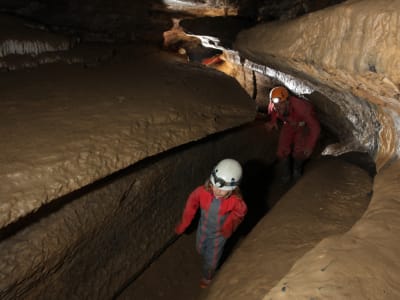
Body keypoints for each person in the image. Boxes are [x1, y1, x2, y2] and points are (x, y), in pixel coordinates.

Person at [175, 158, 247, 288]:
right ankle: (206, 259)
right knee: (200, 249)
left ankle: (207, 277)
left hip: (218, 235)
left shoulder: (235, 201)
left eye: (223, 189)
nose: (217, 191)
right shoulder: (202, 192)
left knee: (211, 261)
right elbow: (192, 202)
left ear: (234, 188)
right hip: (203, 229)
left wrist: (228, 227)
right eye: (215, 186)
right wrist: (184, 223)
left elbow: (240, 212)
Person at [265, 86, 320, 183]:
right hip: (289, 124)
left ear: (287, 101)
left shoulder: (302, 108)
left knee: (300, 152)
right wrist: (273, 122)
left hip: (303, 125)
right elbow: (273, 112)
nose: (278, 107)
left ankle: (297, 172)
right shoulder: (274, 106)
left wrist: (309, 146)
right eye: (275, 105)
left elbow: (315, 127)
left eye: (281, 104)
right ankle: (287, 175)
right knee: (281, 151)